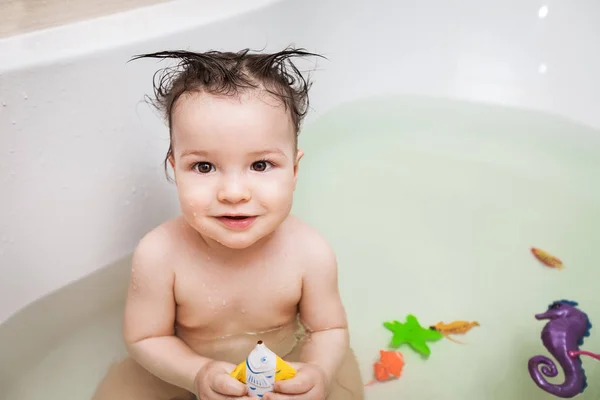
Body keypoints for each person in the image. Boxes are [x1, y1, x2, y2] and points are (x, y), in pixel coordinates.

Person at [91, 47, 364, 400]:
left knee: (341, 387)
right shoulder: (160, 254)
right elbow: (147, 338)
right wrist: (195, 374)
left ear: (294, 171)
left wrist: (318, 372)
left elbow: (327, 329)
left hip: (286, 365)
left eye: (261, 165)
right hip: (178, 370)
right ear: (175, 169)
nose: (233, 193)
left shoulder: (309, 252)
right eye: (204, 167)